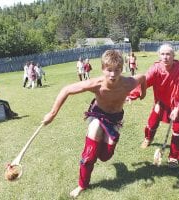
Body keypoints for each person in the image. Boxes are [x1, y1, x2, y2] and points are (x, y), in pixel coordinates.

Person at [42, 50, 146, 198]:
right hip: (98, 114)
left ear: (122, 69)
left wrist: (143, 93)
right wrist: (52, 113)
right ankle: (82, 185)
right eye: (109, 70)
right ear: (103, 69)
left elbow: (143, 78)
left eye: (117, 70)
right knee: (89, 155)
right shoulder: (96, 84)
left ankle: (103, 145)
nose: (112, 74)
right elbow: (66, 90)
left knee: (105, 156)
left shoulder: (128, 83)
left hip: (115, 118)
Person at [140, 44, 179, 168]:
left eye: (168, 54)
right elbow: (144, 82)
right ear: (159, 56)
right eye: (162, 54)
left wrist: (178, 108)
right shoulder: (155, 68)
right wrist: (131, 95)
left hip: (177, 105)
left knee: (178, 131)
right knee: (151, 123)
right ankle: (148, 138)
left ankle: (174, 157)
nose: (165, 57)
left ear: (173, 56)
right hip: (160, 103)